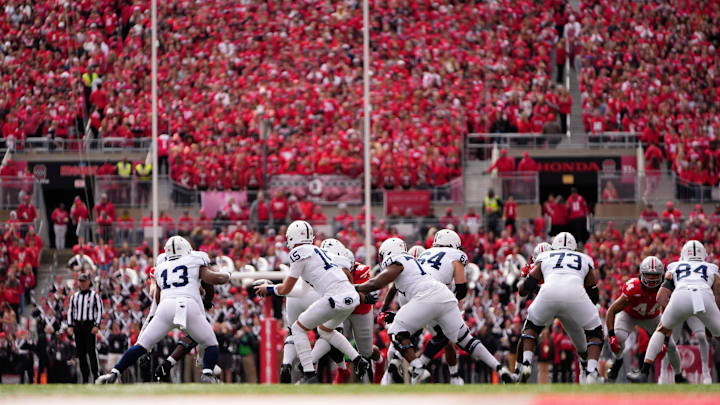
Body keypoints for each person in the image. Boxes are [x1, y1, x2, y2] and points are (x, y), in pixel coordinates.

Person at [357, 237, 513, 384]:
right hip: (444, 294)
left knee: (396, 331)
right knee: (465, 339)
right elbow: (460, 289)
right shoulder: (416, 259)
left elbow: (379, 283)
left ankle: (416, 368)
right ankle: (500, 368)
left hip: (424, 296)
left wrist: (354, 289)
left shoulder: (401, 260)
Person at [96, 236, 230, 384]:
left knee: (141, 346)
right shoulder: (195, 260)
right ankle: (207, 374)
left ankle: (114, 373)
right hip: (187, 304)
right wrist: (227, 274)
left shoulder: (161, 267)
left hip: (165, 306)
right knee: (210, 343)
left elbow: (158, 298)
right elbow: (213, 279)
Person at [254, 221, 371, 384]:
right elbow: (347, 275)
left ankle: (309, 373)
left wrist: (269, 289)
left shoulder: (298, 253)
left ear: (292, 237)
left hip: (333, 299)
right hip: (352, 298)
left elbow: (287, 288)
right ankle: (357, 359)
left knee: (296, 328)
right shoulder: (322, 252)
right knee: (326, 330)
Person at [629, 240, 720, 384]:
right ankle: (670, 375)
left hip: (680, 298)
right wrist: (712, 320)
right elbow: (717, 296)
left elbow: (660, 297)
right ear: (704, 255)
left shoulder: (675, 266)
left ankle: (644, 371)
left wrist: (670, 314)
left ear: (683, 254)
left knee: (661, 331)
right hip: (703, 298)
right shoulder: (712, 268)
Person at [517, 232, 604, 384]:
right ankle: (591, 372)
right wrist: (588, 309)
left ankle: (525, 364)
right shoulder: (584, 258)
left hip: (549, 295)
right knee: (595, 333)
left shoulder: (546, 257)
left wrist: (522, 286)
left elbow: (527, 287)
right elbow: (593, 291)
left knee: (530, 327)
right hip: (575, 296)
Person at [605, 256, 684, 382]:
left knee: (671, 346)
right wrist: (611, 336)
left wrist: (665, 340)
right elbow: (612, 310)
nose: (652, 279)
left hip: (651, 317)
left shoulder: (665, 289)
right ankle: (618, 360)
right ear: (641, 274)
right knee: (619, 337)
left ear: (661, 275)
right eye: (649, 275)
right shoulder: (633, 287)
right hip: (629, 315)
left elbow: (668, 317)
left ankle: (679, 376)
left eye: (655, 275)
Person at [413, 229, 469, 385]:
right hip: (433, 299)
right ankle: (419, 367)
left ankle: (452, 375)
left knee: (444, 338)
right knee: (447, 336)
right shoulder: (453, 256)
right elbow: (462, 290)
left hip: (416, 297)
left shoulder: (426, 254)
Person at [67, 273, 104, 383]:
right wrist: (70, 325)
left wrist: (96, 325)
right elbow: (70, 311)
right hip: (78, 326)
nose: (82, 284)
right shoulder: (75, 297)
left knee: (91, 352)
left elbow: (99, 310)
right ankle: (85, 378)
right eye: (80, 281)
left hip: (89, 326)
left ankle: (96, 376)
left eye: (84, 281)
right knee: (81, 353)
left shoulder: (94, 295)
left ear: (89, 282)